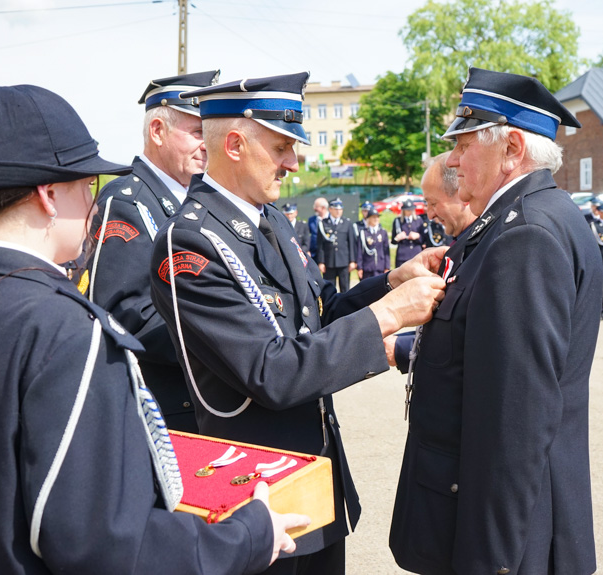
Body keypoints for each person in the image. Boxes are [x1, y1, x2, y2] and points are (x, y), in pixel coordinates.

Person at [0, 84, 306, 574]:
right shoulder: (65, 331)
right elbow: (106, 545)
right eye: (86, 184)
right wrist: (249, 535)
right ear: (49, 196)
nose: (93, 200)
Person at [148, 72, 446, 575]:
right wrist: (391, 314)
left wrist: (391, 283)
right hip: (255, 499)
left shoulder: (274, 220)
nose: (293, 162)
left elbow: (320, 314)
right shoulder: (190, 244)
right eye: (283, 146)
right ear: (237, 144)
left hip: (316, 483)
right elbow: (272, 371)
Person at [389, 67, 600, 575]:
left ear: (512, 150)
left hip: (507, 536)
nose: (454, 160)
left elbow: (517, 424)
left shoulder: (525, 236)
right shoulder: (522, 217)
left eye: (463, 145)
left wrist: (494, 561)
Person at [83, 71, 220, 433]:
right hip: (167, 412)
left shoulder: (202, 202)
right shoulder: (127, 202)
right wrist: (224, 341)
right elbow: (124, 315)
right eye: (196, 132)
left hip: (206, 402)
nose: (208, 144)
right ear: (157, 131)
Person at [391, 151, 478, 374]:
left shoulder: (484, 248)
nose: (429, 215)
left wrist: (402, 348)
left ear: (462, 192)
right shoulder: (461, 243)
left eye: (433, 203)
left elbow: (472, 337)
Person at [316, 198, 356, 292]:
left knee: (345, 288)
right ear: (330, 209)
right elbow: (320, 245)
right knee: (329, 288)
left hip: (344, 261)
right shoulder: (323, 223)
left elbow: (351, 243)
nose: (338, 211)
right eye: (336, 209)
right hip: (329, 261)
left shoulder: (347, 223)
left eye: (340, 209)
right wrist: (321, 262)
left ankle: (345, 306)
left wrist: (352, 260)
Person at [356, 207, 390, 279]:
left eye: (377, 217)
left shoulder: (383, 232)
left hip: (380, 267)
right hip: (367, 268)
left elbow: (386, 251)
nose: (376, 219)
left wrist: (387, 267)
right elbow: (359, 251)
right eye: (373, 217)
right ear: (368, 219)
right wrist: (359, 267)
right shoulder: (363, 233)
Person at [392, 199, 426, 267]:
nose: (409, 212)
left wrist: (418, 236)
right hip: (402, 255)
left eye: (411, 210)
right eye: (407, 210)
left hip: (416, 253)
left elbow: (424, 239)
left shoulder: (418, 220)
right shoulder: (397, 221)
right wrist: (397, 238)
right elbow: (393, 241)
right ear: (403, 211)